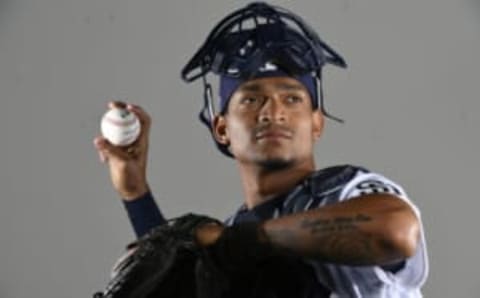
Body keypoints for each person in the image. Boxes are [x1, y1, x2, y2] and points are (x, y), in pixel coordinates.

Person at [93, 2, 428, 297]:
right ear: (221, 128)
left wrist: (251, 239)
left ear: (317, 123)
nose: (273, 112)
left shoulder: (342, 192)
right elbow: (171, 274)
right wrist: (135, 192)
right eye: (251, 99)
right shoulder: (232, 230)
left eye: (292, 98)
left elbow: (396, 231)